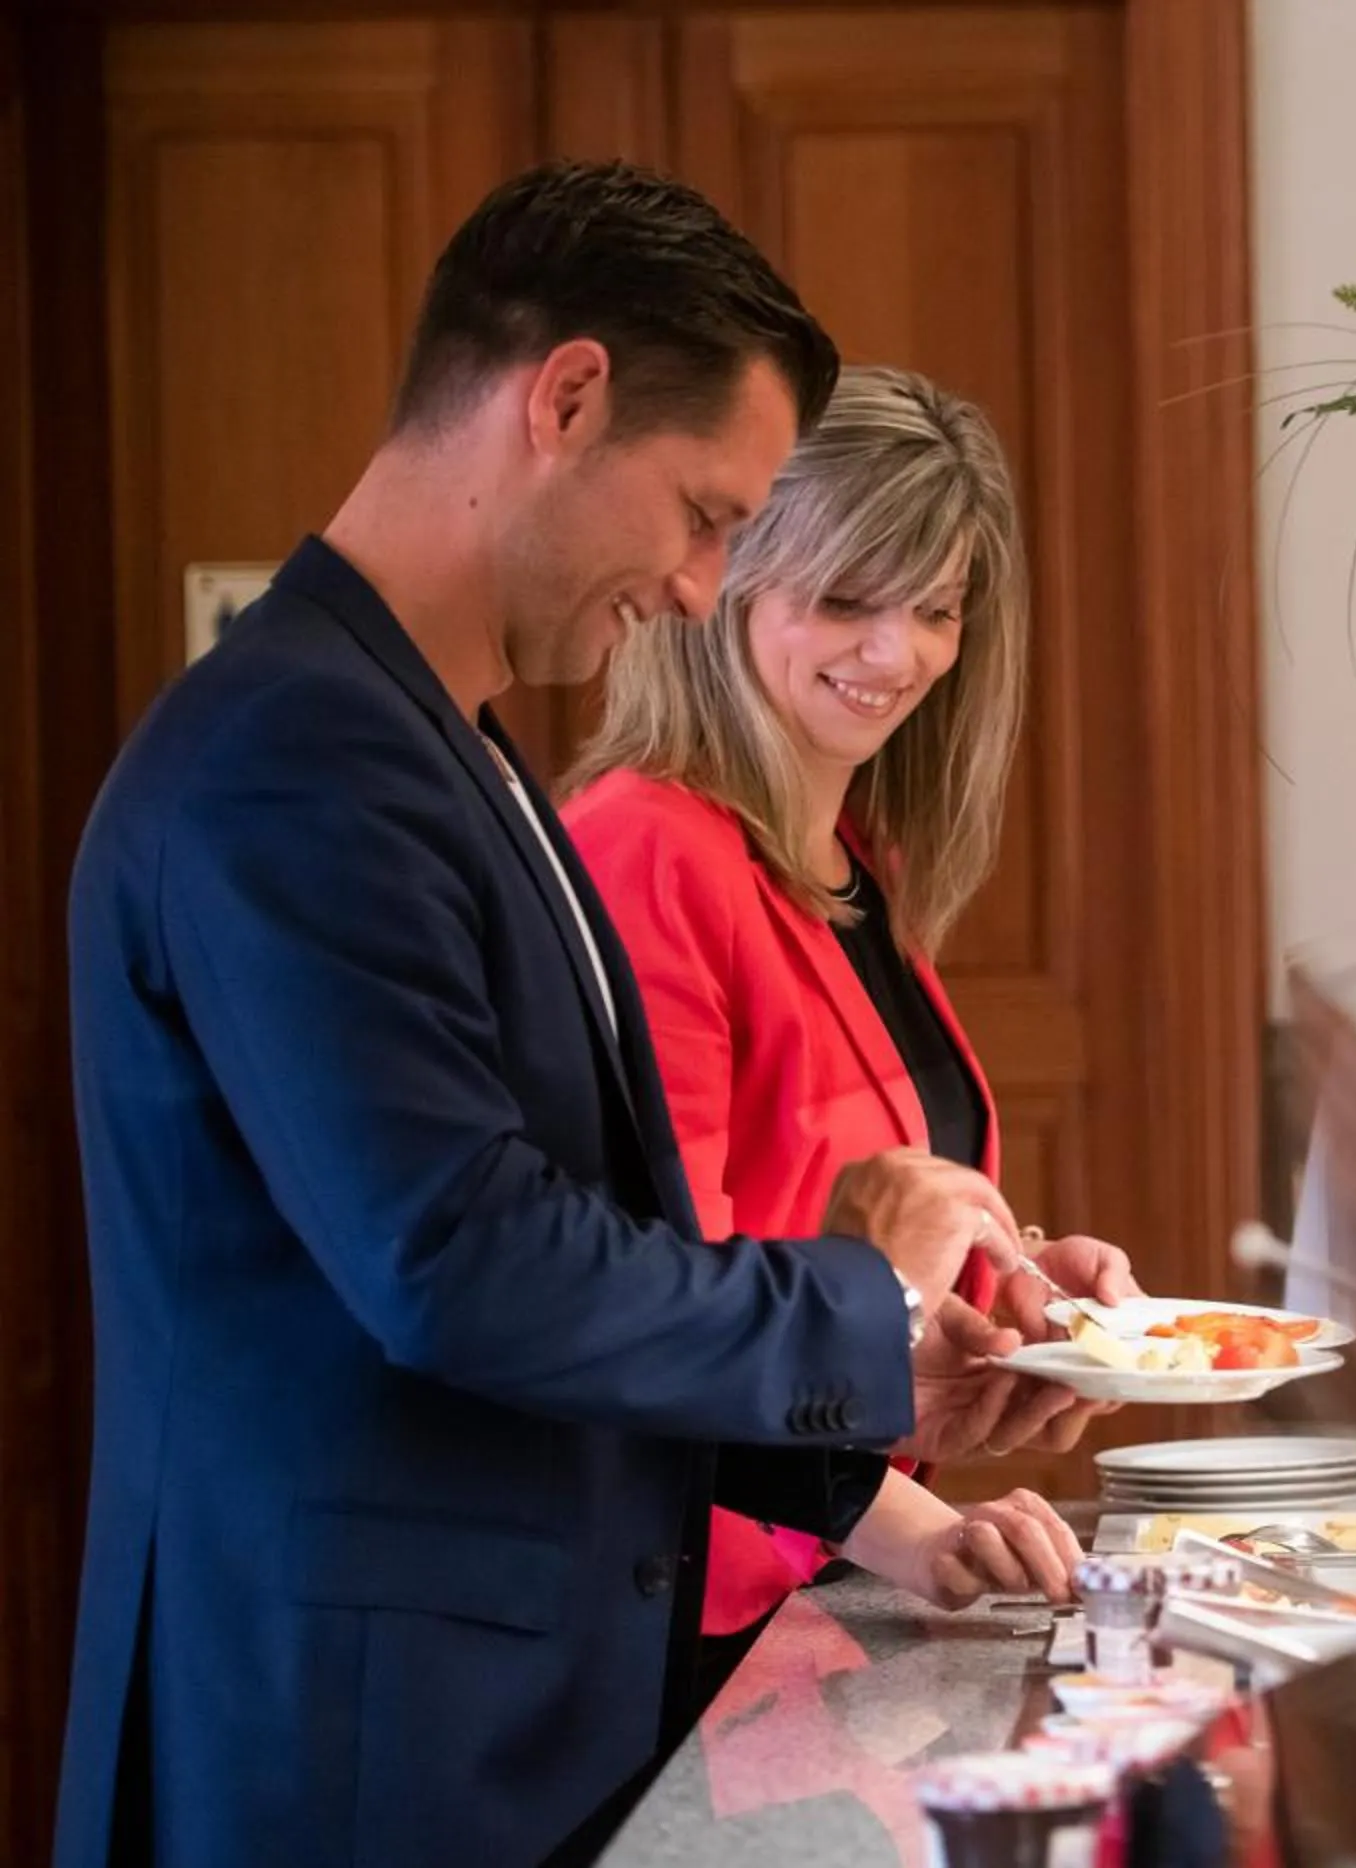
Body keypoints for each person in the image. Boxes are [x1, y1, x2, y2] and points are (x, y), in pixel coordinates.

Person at [55, 161, 1084, 1868]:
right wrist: (864, 1293)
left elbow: (590, 1258)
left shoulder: (447, 747)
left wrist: (853, 1431)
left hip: (484, 1717)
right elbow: (458, 1262)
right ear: (568, 400)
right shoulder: (298, 756)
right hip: (353, 1744)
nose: (697, 588)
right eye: (704, 515)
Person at [563, 366, 1128, 1673]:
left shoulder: (856, 858)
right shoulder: (648, 850)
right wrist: (909, 1527)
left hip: (810, 1596)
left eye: (936, 609)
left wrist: (1020, 1297)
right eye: (846, 600)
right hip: (680, 1616)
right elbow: (659, 1310)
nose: (897, 655)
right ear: (725, 584)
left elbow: (833, 1234)